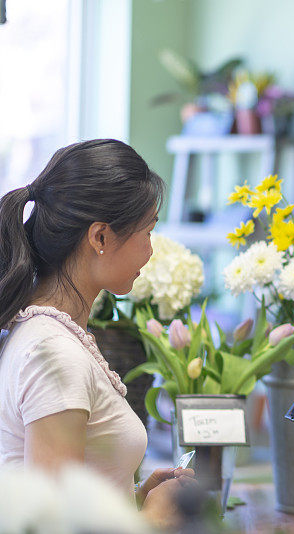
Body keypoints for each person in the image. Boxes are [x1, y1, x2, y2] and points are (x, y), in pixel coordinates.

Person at [0, 139, 194, 529]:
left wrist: (133, 499)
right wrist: (156, 518)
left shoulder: (52, 336)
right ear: (100, 237)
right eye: (148, 232)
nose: (150, 251)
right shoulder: (53, 352)